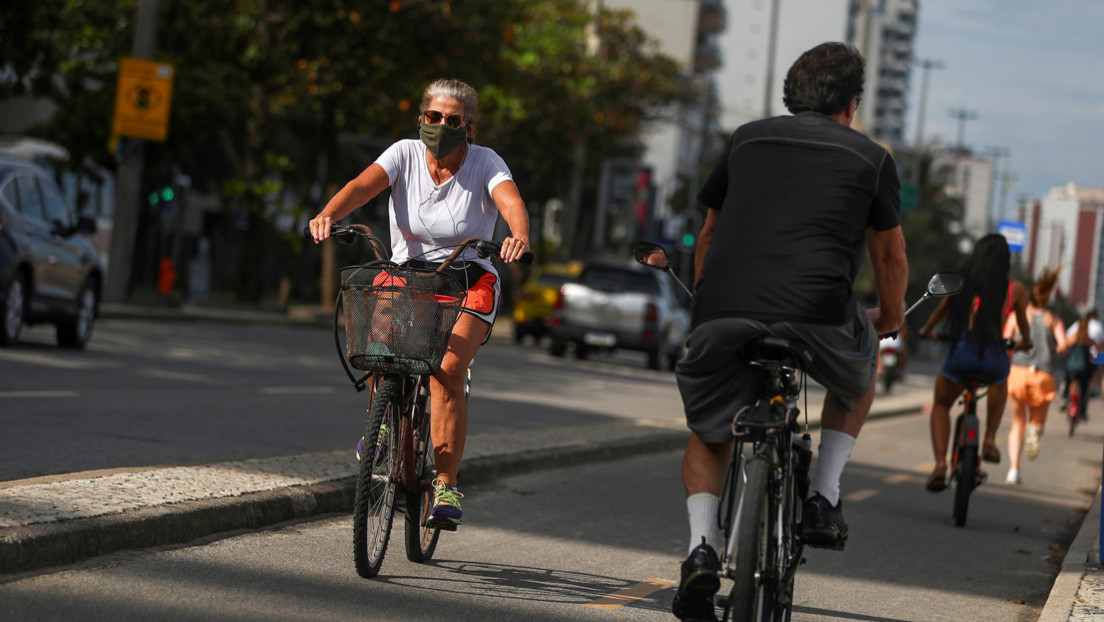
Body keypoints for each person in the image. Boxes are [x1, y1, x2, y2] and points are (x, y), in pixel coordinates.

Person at [670, 42, 909, 621]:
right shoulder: (871, 158)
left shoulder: (746, 139)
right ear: (851, 104)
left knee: (710, 427)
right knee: (859, 375)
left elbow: (706, 236)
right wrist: (892, 319)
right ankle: (823, 496)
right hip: (818, 312)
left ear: (789, 94)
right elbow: (891, 257)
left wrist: (707, 306)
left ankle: (702, 547)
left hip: (726, 305)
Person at [308, 79, 530, 528]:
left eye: (453, 121)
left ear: (469, 127)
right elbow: (360, 186)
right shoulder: (403, 153)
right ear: (421, 118)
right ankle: (384, 426)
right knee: (381, 345)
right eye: (434, 117)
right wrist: (330, 212)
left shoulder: (486, 162)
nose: (441, 126)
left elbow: (512, 202)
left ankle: (445, 485)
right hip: (407, 273)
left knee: (447, 368)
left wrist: (518, 235)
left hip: (468, 277)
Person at [917, 234, 1031, 493]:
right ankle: (989, 438)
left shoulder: (962, 285)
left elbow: (941, 312)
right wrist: (1025, 343)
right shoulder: (1015, 290)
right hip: (994, 357)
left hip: (962, 354)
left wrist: (927, 330)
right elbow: (1024, 331)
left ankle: (940, 466)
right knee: (1000, 381)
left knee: (941, 404)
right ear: (1005, 261)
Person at [1003, 268, 1066, 485]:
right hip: (1043, 375)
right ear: (1047, 298)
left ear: (1029, 296)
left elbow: (1006, 338)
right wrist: (1052, 349)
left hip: (1018, 374)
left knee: (1016, 424)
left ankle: (1013, 469)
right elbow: (1063, 345)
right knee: (1036, 422)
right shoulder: (1053, 320)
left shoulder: (1016, 316)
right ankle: (1035, 430)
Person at [1061, 312, 1098, 422]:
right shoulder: (1089, 340)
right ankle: (1084, 411)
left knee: (1067, 380)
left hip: (1072, 368)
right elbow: (1098, 352)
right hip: (1084, 370)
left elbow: (1064, 346)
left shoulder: (1074, 338)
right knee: (1085, 389)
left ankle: (1064, 397)